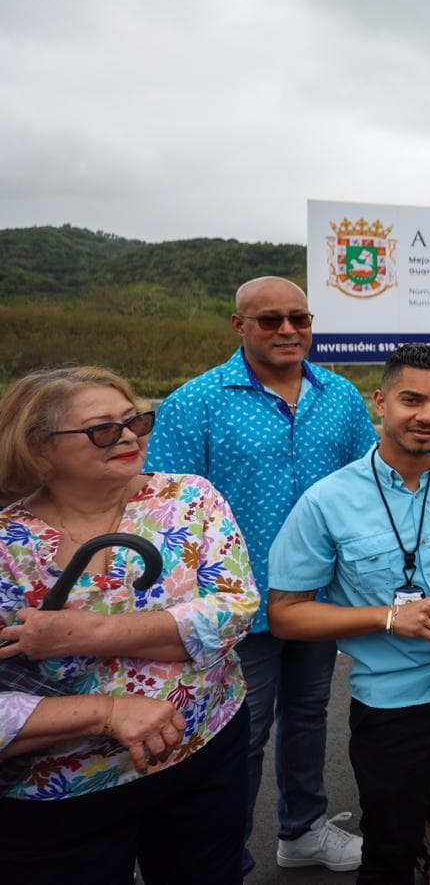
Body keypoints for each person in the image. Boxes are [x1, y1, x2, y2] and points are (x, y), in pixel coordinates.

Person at [267, 344, 430, 884]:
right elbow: (287, 615)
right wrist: (386, 618)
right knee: (391, 842)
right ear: (380, 401)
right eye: (412, 400)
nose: (427, 416)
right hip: (392, 698)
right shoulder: (327, 500)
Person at [145, 276, 372, 873]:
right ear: (238, 326)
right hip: (235, 606)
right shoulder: (194, 403)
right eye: (270, 320)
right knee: (236, 736)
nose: (288, 330)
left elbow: (364, 488)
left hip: (316, 597)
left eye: (299, 318)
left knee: (308, 715)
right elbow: (164, 513)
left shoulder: (341, 397)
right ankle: (223, 857)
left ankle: (302, 830)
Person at [0, 366, 259, 881]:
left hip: (202, 744)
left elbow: (232, 613)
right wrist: (105, 711)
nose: (127, 437)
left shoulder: (188, 498)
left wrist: (84, 634)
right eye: (102, 429)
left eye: (135, 422)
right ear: (40, 448)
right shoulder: (10, 544)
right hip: (62, 789)